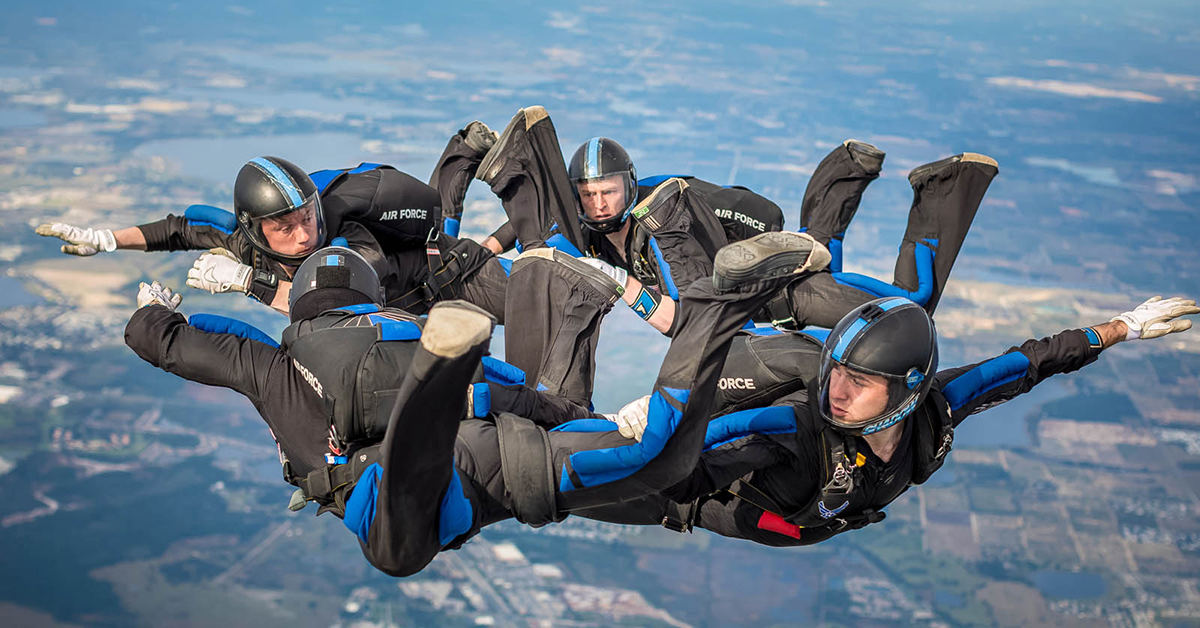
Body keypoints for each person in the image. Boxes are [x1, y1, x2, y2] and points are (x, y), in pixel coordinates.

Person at [124, 231, 834, 576]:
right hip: (498, 460)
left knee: (397, 547)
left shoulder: (281, 361)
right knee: (658, 460)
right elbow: (531, 399)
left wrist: (156, 312)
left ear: (305, 310)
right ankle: (715, 302)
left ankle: (423, 418)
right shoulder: (395, 326)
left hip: (407, 490)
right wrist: (587, 426)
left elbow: (180, 344)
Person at [575, 294, 1199, 546]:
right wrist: (661, 428)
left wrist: (1126, 327)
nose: (837, 392)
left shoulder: (936, 409)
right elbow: (719, 445)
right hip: (679, 495)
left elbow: (1026, 363)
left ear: (907, 387)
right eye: (837, 371)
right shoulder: (793, 433)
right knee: (550, 487)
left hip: (801, 518)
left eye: (861, 381)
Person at [468, 105, 999, 335]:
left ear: (630, 186)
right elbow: (540, 223)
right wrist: (486, 248)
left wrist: (768, 257)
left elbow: (762, 216)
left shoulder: (669, 209)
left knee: (908, 311)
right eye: (588, 195)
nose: (599, 204)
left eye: (608, 192)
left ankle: (941, 188)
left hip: (787, 293)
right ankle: (849, 174)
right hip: (750, 315)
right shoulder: (585, 224)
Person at [37, 149, 509, 321]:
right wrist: (105, 239)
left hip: (454, 283)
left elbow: (337, 300)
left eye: (306, 216)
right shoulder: (242, 239)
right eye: (282, 226)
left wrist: (250, 283)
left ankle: (482, 165)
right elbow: (182, 228)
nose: (303, 234)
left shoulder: (342, 235)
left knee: (547, 290)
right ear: (254, 229)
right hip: (423, 311)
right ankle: (465, 154)